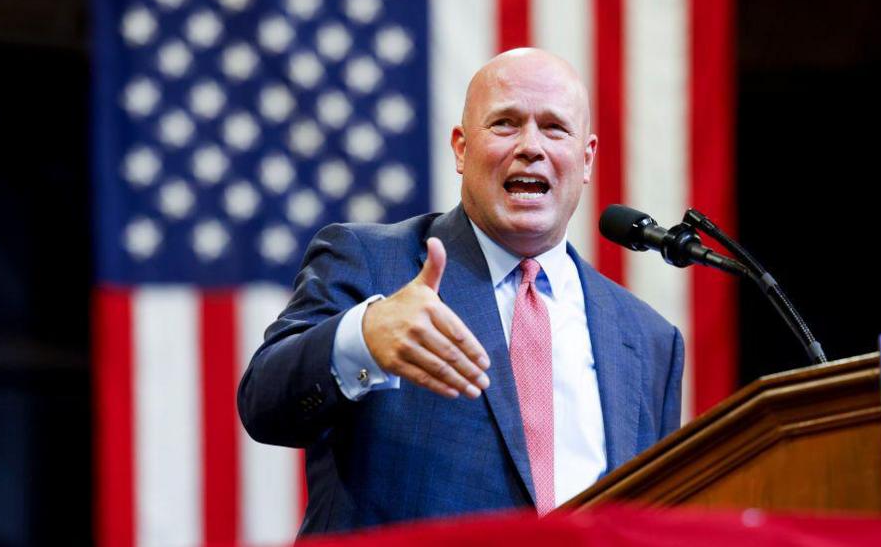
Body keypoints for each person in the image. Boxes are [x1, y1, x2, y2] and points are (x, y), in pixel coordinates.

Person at [237, 48, 684, 536]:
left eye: (555, 128)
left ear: (586, 158)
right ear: (461, 148)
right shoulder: (372, 261)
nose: (532, 146)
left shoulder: (649, 339)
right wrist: (363, 337)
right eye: (505, 124)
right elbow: (264, 403)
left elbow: (652, 519)